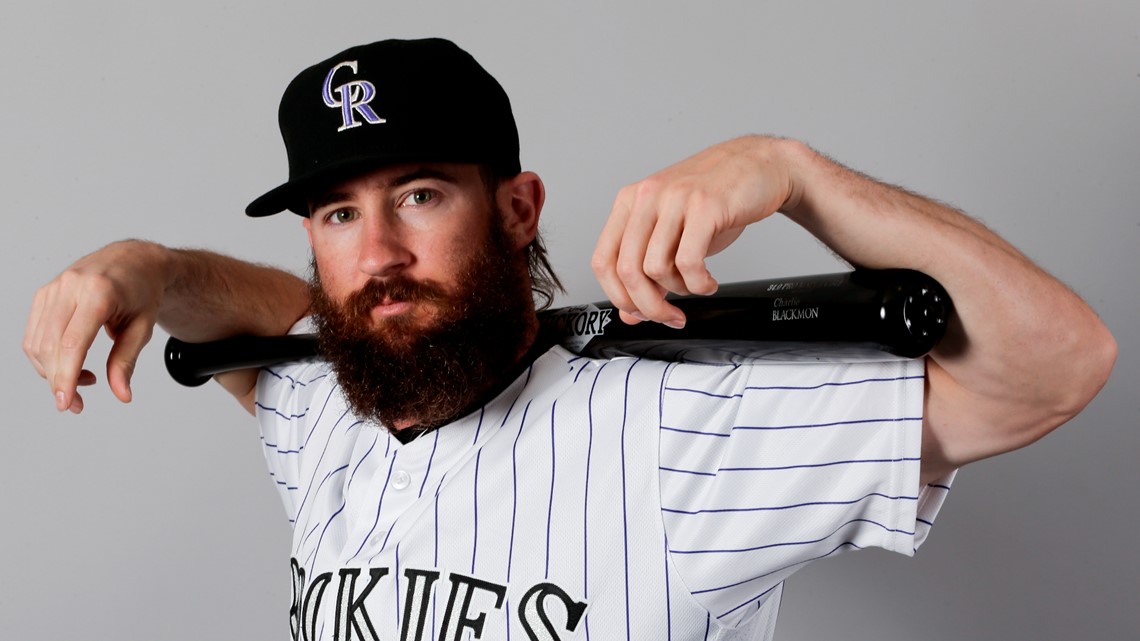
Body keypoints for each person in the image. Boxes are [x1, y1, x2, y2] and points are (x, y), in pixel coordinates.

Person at [24, 38, 1115, 641]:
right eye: (339, 215)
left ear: (515, 207)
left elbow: (1059, 363)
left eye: (418, 192)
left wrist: (794, 171)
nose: (382, 255)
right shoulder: (326, 409)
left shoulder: (675, 432)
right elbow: (281, 316)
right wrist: (153, 268)